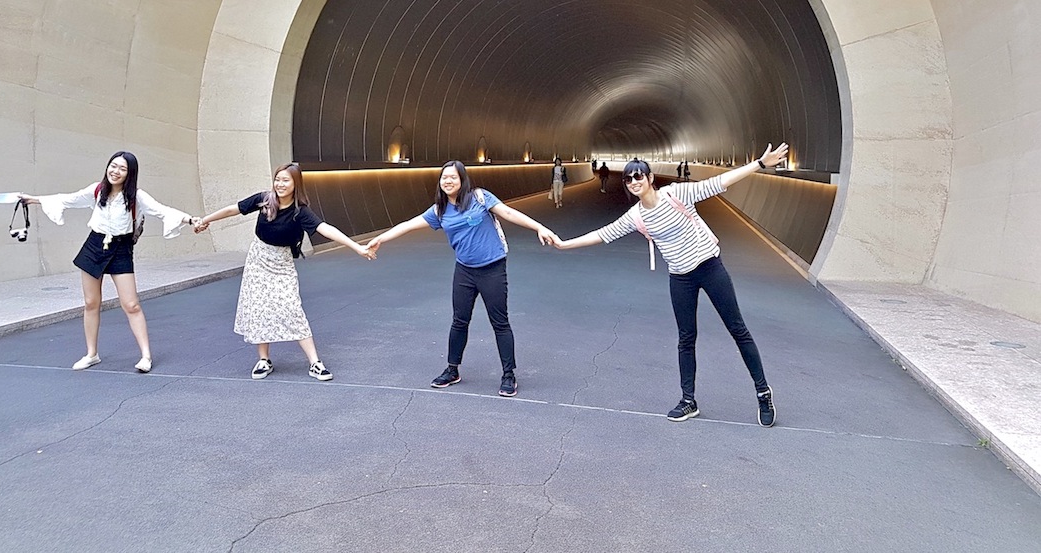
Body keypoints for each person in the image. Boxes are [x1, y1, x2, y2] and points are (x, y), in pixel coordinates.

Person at [553, 144, 789, 427]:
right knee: (686, 338)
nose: (634, 182)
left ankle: (763, 392)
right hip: (680, 277)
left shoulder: (676, 193)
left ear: (650, 178)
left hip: (710, 268)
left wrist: (760, 164)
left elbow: (718, 183)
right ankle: (688, 400)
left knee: (737, 329)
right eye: (629, 179)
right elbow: (605, 234)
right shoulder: (637, 216)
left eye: (639, 176)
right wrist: (565, 245)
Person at [367, 161, 556, 397]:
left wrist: (538, 227)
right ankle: (452, 369)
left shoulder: (480, 198)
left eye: (453, 177)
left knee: (500, 322)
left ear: (462, 179)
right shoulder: (439, 210)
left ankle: (509, 374)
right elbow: (408, 224)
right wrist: (381, 239)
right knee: (459, 321)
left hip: (492, 269)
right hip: (464, 271)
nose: (447, 181)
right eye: (444, 177)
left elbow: (507, 212)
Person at [193, 162, 374, 381]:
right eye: (277, 179)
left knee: (292, 308)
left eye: (285, 180)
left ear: (296, 184)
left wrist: (357, 248)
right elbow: (235, 209)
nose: (280, 184)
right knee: (259, 307)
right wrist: (206, 220)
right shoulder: (264, 199)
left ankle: (315, 363)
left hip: (282, 263)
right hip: (258, 258)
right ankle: (263, 360)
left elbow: (325, 229)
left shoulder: (300, 212)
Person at [19, 151, 196, 373]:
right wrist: (33, 199)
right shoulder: (97, 190)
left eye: (122, 168)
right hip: (94, 246)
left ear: (130, 173)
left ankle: (145, 356)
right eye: (113, 166)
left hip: (121, 249)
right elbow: (68, 199)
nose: (115, 171)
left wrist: (189, 219)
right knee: (91, 302)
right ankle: (91, 354)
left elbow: (162, 210)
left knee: (131, 304)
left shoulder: (137, 197)